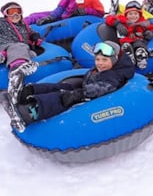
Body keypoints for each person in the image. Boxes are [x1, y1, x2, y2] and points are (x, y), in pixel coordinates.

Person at [3, 41, 135, 132]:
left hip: (91, 98)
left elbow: (102, 88)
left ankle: (28, 113)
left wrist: (79, 94)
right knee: (60, 86)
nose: (100, 63)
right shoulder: (100, 70)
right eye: (97, 59)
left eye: (104, 60)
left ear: (114, 61)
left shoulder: (113, 76)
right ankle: (24, 92)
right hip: (84, 89)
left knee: (62, 98)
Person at [0, 1, 40, 99]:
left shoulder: (24, 25)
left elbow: (30, 33)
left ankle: (3, 57)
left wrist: (35, 37)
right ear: (5, 14)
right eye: (11, 12)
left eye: (18, 11)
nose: (15, 14)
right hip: (5, 45)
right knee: (19, 47)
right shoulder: (3, 23)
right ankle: (16, 70)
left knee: (32, 54)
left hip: (19, 50)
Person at [104, 0, 153, 70]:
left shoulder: (143, 22)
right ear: (126, 15)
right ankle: (129, 58)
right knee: (126, 46)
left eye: (135, 14)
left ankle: (141, 56)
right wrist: (117, 24)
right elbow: (108, 18)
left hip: (138, 39)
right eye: (130, 14)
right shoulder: (122, 20)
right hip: (125, 40)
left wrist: (150, 32)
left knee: (139, 44)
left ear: (139, 15)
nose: (133, 16)